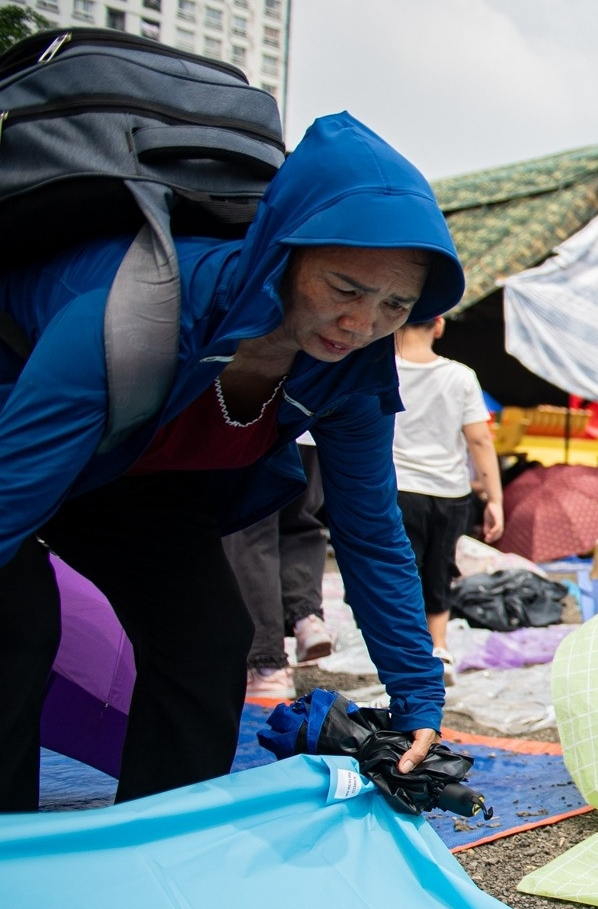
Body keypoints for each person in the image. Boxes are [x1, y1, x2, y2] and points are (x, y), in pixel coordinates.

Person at [0, 113, 464, 810]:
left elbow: (370, 532)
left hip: (137, 478)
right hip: (22, 439)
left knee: (211, 636)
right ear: (285, 250)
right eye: (345, 288)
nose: (362, 323)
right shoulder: (137, 312)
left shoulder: (350, 371)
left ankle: (157, 843)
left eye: (394, 303)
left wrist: (418, 697)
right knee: (17, 618)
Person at [392, 314, 505, 681]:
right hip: (450, 492)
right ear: (438, 325)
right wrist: (495, 499)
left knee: (399, 569)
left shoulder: (380, 370)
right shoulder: (460, 376)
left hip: (397, 488)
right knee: (439, 568)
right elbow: (479, 441)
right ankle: (438, 648)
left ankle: (402, 651)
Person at [223, 433, 333, 700]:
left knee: (253, 530)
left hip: (262, 424)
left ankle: (266, 664)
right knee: (301, 520)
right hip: (310, 431)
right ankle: (307, 618)